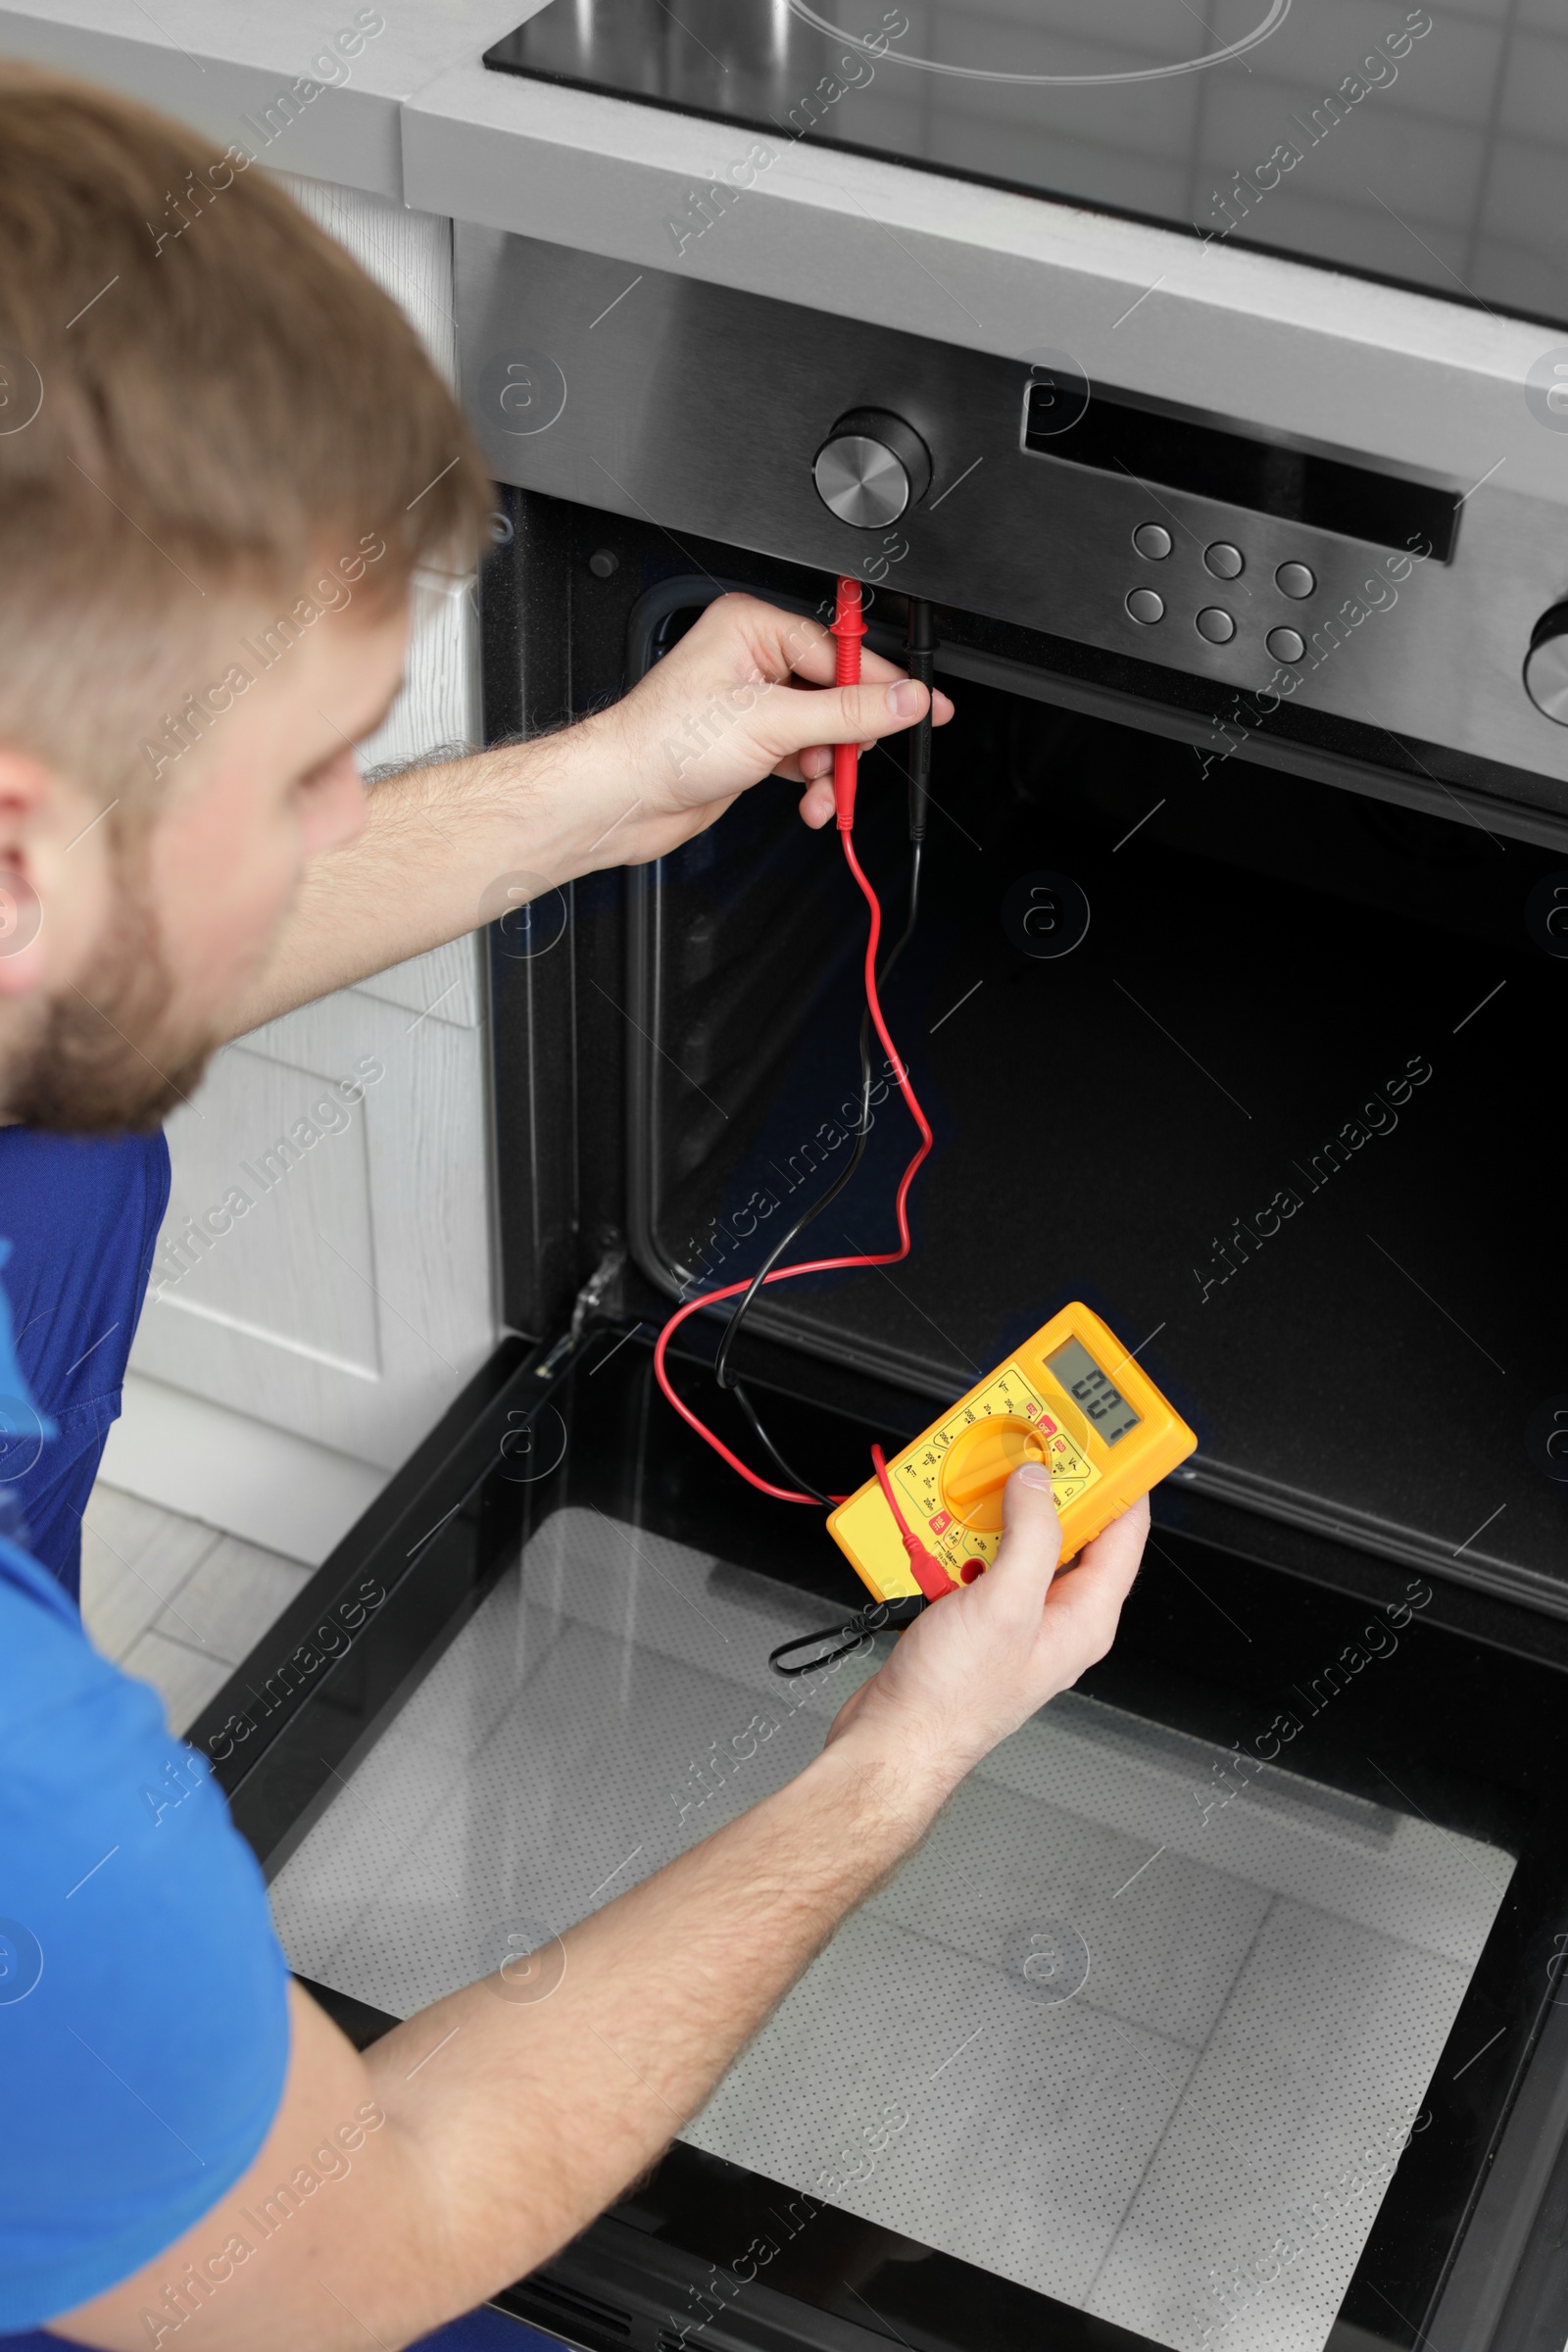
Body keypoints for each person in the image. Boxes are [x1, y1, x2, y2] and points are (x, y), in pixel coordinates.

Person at [0, 64, 1152, 2352]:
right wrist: (901, 1752)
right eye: (316, 769)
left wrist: (607, 786)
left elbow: (93, 979)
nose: (351, 818)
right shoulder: (43, 1829)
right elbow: (363, 2234)